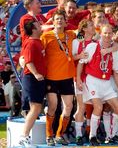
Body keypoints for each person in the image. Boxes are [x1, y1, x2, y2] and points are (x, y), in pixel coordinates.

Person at [77, 24, 118, 146]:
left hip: (106, 82)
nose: (107, 35)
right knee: (98, 107)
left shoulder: (114, 51)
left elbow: (117, 72)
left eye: (109, 33)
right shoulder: (93, 46)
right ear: (101, 34)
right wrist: (78, 79)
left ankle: (112, 135)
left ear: (113, 35)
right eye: (105, 33)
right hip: (92, 80)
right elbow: (81, 63)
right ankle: (92, 136)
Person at [41, 10, 76, 146]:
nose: (60, 21)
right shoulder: (46, 36)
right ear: (53, 22)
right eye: (57, 19)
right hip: (51, 77)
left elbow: (89, 31)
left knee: (69, 107)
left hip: (67, 77)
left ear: (65, 21)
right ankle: (49, 135)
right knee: (53, 106)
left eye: (62, 19)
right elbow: (38, 51)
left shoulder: (71, 35)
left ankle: (59, 134)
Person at [18, 20, 46, 147]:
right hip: (32, 78)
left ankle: (25, 137)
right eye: (38, 25)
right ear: (34, 29)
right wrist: (36, 74)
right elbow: (28, 61)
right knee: (35, 107)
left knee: (37, 108)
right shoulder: (30, 43)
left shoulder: (37, 42)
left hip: (37, 79)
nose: (41, 26)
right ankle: (24, 137)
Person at [71, 19, 96, 145]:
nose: (94, 27)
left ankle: (91, 134)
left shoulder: (95, 43)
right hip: (79, 78)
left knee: (93, 106)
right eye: (91, 25)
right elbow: (71, 58)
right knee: (81, 107)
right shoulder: (77, 42)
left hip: (93, 79)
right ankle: (79, 135)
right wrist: (79, 56)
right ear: (84, 29)